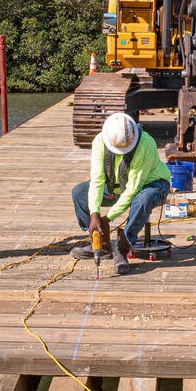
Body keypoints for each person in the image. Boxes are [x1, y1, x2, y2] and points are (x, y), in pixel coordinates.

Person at [70, 112, 171, 275]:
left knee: (143, 199)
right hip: (116, 186)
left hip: (151, 184)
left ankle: (122, 247)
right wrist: (95, 215)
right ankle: (99, 243)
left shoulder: (146, 144)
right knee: (79, 192)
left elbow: (133, 188)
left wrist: (108, 217)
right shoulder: (99, 141)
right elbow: (97, 180)